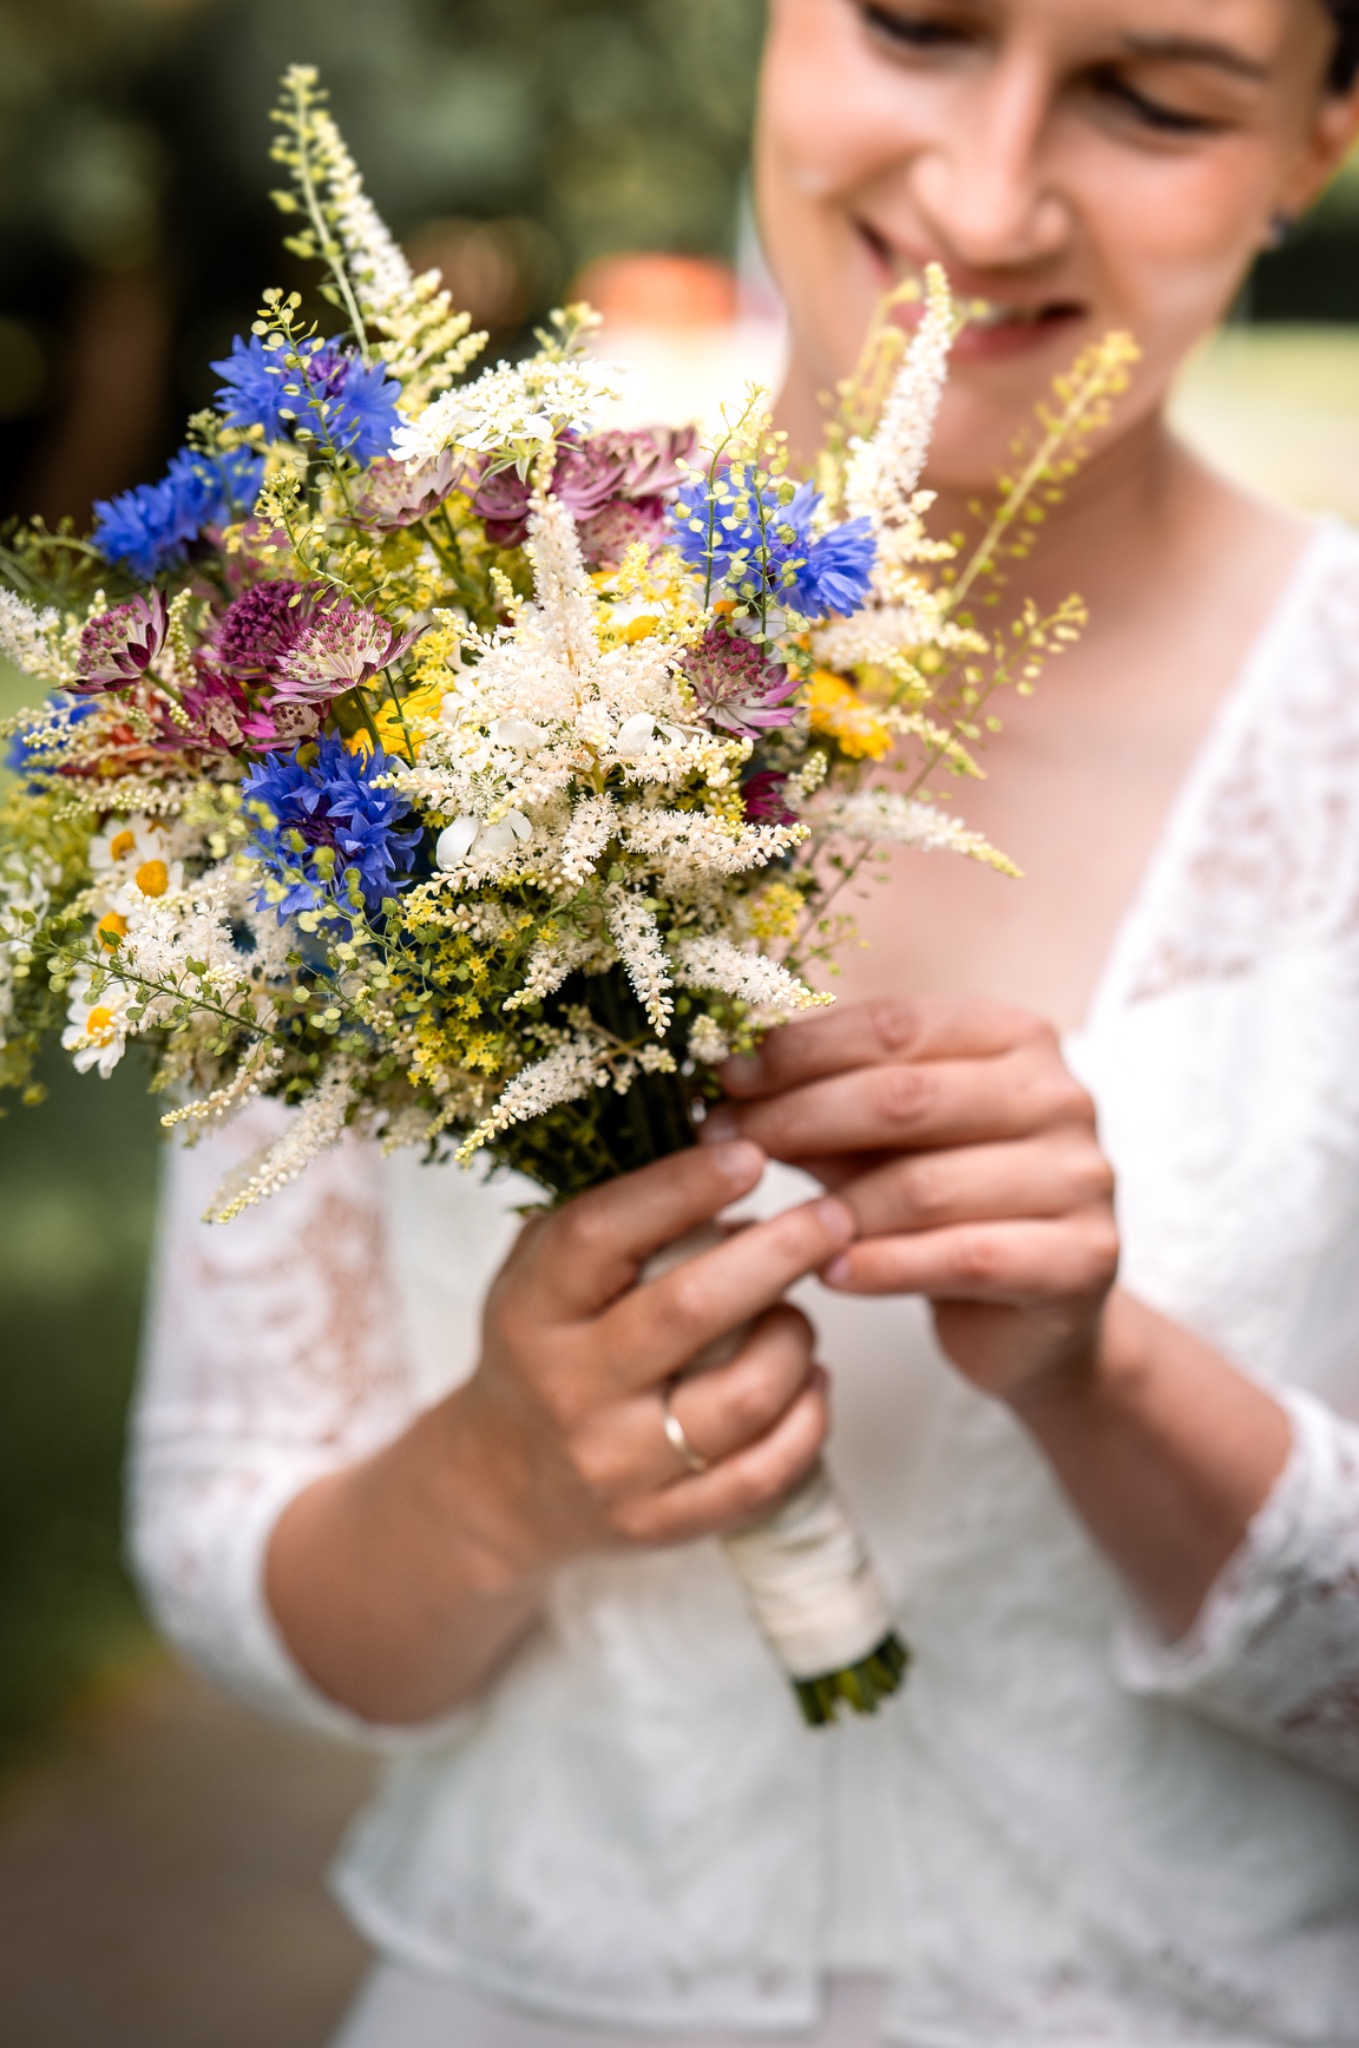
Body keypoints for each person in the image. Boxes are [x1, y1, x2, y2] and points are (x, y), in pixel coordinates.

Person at [131, 3, 1359, 2043]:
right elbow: (227, 1548)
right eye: (915, 25)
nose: (981, 193)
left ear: (1316, 137)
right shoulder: (394, 655)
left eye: (1150, 94)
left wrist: (1104, 1378)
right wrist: (502, 1478)